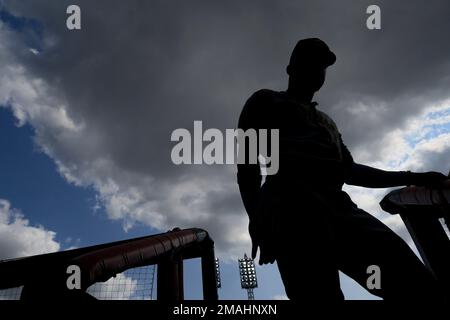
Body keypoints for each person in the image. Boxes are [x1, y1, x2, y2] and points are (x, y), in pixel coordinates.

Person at [237, 38, 447, 300]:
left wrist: (415, 177)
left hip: (340, 211)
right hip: (292, 216)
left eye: (321, 65)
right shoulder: (265, 101)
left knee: (415, 282)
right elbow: (247, 166)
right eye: (309, 62)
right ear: (290, 69)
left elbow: (352, 172)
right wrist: (258, 221)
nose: (316, 69)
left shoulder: (327, 122)